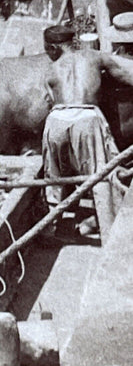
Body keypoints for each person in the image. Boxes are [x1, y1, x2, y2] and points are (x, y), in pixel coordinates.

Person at [40, 25, 133, 236]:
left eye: (47, 50)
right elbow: (127, 75)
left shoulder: (50, 70)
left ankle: (50, 230)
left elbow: (49, 100)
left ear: (53, 48)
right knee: (101, 176)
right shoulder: (95, 57)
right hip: (86, 117)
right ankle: (108, 231)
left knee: (53, 177)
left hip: (56, 119)